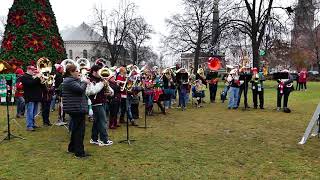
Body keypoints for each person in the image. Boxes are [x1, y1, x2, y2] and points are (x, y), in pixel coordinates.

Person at [62, 64, 90, 158]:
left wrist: (81, 80)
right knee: (79, 131)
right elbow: (80, 89)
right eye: (77, 71)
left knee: (75, 129)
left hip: (75, 107)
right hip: (76, 108)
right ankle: (79, 152)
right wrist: (85, 82)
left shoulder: (71, 80)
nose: (78, 72)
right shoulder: (70, 81)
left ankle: (72, 148)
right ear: (71, 72)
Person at [87, 65, 114, 146]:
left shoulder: (101, 80)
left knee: (97, 122)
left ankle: (94, 139)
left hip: (103, 102)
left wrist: (110, 92)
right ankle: (104, 140)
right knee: (103, 121)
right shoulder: (90, 80)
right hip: (96, 103)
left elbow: (111, 90)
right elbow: (92, 91)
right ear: (94, 72)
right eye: (99, 71)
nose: (101, 73)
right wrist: (102, 83)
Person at [20, 66, 43, 131]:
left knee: (34, 112)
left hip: (36, 97)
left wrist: (40, 78)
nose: (34, 71)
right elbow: (31, 83)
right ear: (28, 70)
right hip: (30, 97)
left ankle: (33, 124)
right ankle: (29, 126)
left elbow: (40, 85)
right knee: (30, 112)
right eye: (32, 70)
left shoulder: (33, 77)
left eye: (34, 70)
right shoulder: (24, 77)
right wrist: (37, 77)